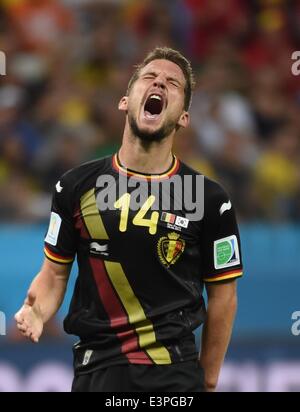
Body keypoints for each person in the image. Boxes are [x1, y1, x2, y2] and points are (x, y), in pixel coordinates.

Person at [15, 47, 243, 392]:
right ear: (125, 101)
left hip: (173, 375)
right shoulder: (75, 186)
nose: (160, 84)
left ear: (183, 117)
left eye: (173, 84)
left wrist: (208, 380)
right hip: (96, 372)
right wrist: (36, 310)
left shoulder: (210, 200)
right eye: (150, 78)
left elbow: (224, 297)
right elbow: (54, 273)